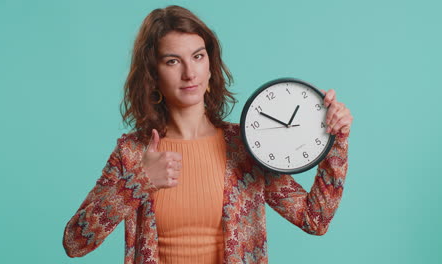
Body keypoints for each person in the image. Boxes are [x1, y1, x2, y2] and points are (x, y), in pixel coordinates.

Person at [62, 5, 353, 264]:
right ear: (153, 75)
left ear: (210, 66)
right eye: (172, 61)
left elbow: (314, 219)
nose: (190, 73)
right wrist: (138, 181)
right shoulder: (133, 153)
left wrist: (337, 141)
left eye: (198, 56)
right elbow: (75, 242)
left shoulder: (244, 147)